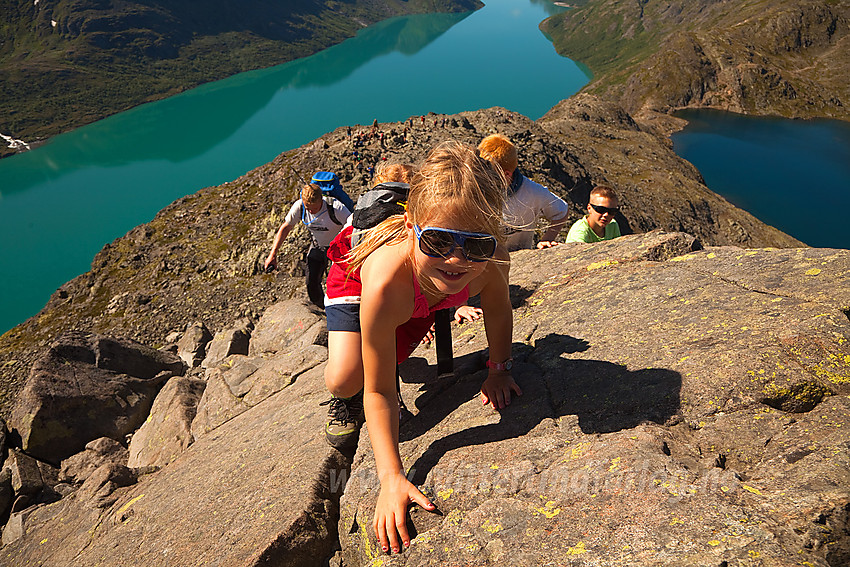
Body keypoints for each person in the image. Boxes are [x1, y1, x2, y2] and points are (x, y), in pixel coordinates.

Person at [321, 141, 522, 554]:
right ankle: (344, 392)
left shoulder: (492, 262)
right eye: (439, 241)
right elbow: (380, 391)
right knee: (347, 379)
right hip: (358, 275)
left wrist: (498, 368)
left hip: (420, 292)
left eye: (477, 245)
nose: (456, 259)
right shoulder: (385, 281)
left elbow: (499, 313)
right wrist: (390, 475)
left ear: (495, 238)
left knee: (392, 352)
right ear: (412, 224)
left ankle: (429, 311)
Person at [264, 183, 351, 308]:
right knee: (311, 282)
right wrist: (273, 254)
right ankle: (321, 309)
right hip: (318, 245)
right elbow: (285, 228)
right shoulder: (300, 207)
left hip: (338, 248)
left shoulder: (336, 207)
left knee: (338, 281)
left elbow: (352, 226)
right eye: (307, 207)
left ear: (321, 200)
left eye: (314, 208)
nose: (310, 211)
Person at [477, 134, 570, 251]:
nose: (484, 177)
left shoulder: (532, 191)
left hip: (516, 259)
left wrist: (548, 238)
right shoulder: (476, 188)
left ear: (506, 174)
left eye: (490, 174)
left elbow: (562, 211)